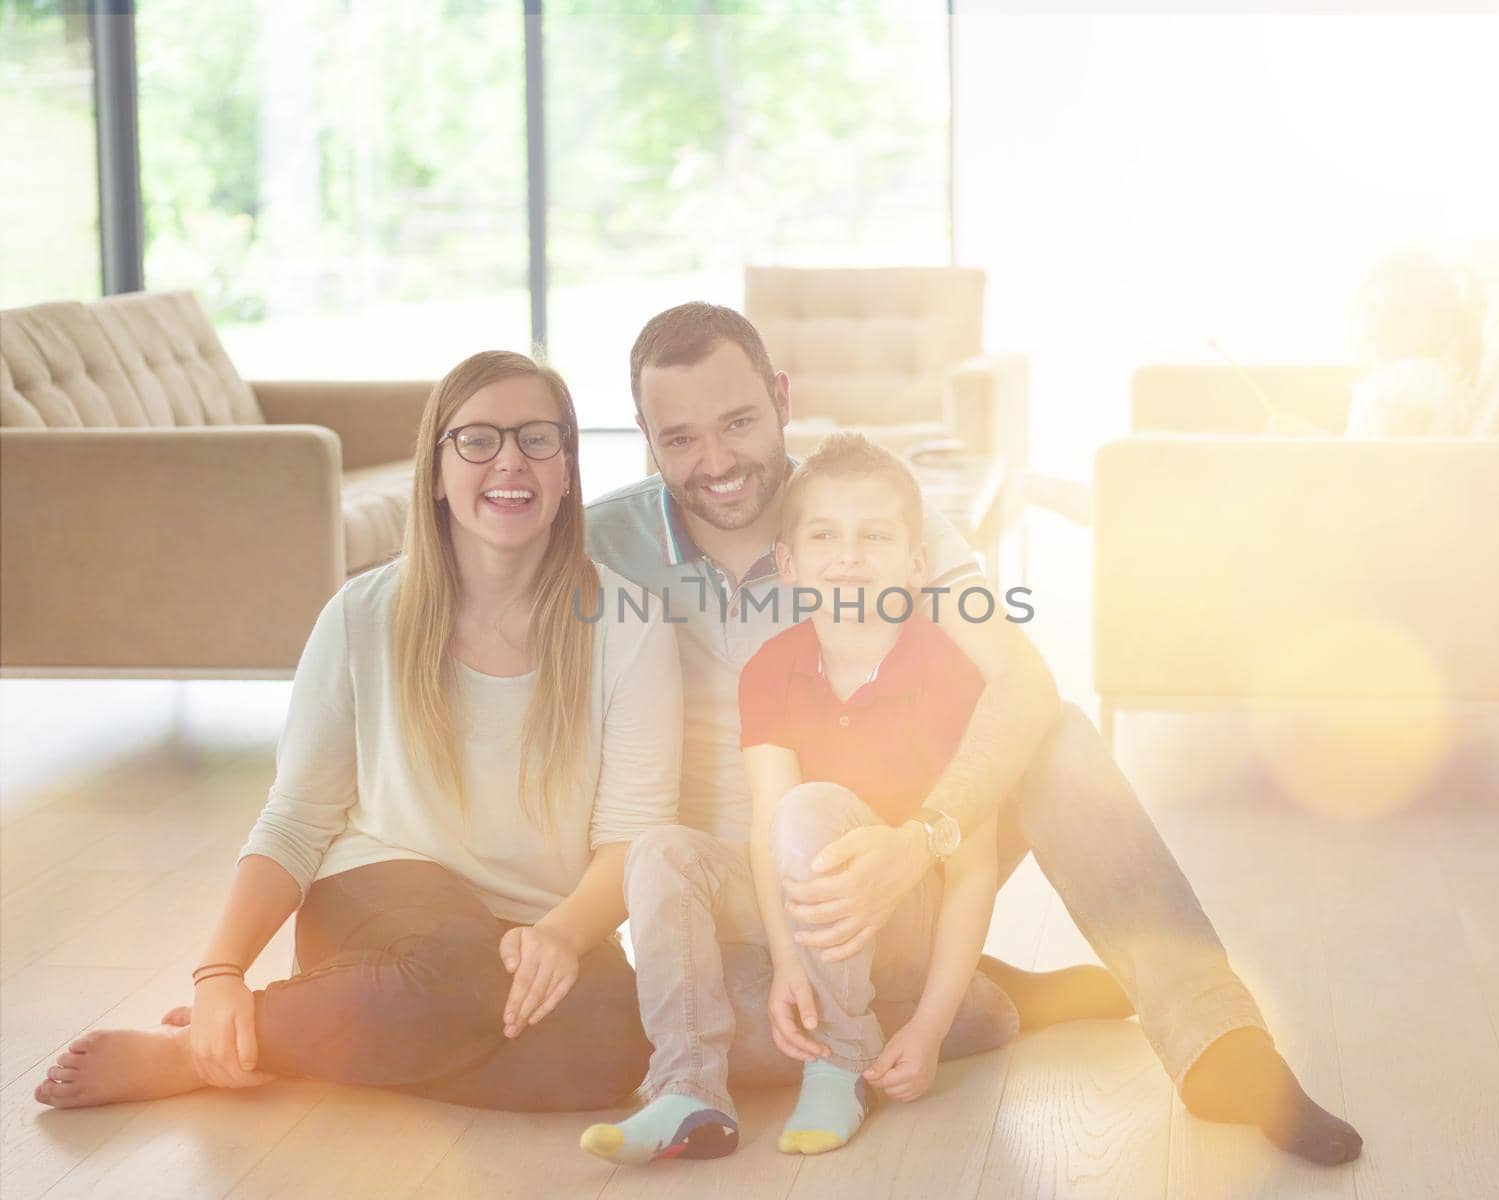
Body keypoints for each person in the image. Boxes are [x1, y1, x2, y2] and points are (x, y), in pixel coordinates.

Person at [585, 303, 1363, 1166]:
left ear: (780, 398)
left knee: (1056, 740)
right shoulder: (601, 547)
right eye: (681, 439)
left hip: (908, 861)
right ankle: (979, 1004)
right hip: (751, 908)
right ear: (647, 441)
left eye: (738, 423)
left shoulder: (872, 514)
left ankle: (1220, 1042)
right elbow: (451, 577)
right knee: (664, 1032)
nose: (718, 462)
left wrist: (922, 840)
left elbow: (1020, 679)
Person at [34, 350, 681, 1113]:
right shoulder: (362, 613)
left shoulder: (629, 623)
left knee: (615, 1041)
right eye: (477, 439)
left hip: (530, 929)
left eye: (538, 438)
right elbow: (296, 819)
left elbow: (631, 838)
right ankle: (201, 1046)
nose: (510, 460)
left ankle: (287, 1045)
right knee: (458, 972)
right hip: (378, 898)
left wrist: (565, 937)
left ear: (568, 468)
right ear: (436, 473)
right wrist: (219, 974)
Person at [579, 434, 1129, 1164]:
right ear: (790, 564)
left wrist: (928, 1034)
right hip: (809, 913)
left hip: (909, 916)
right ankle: (688, 1088)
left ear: (917, 563)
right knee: (661, 852)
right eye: (824, 536)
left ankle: (839, 1062)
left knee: (813, 811)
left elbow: (970, 873)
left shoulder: (952, 671)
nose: (848, 557)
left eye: (875, 537)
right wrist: (785, 966)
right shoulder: (770, 670)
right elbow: (763, 835)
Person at [1345, 249, 1485, 436]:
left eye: (1400, 312)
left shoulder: (1415, 377)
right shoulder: (1400, 373)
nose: (1380, 321)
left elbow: (1393, 456)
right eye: (1373, 308)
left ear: (1438, 326)